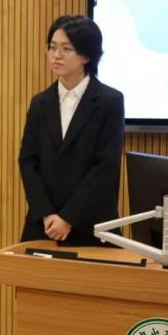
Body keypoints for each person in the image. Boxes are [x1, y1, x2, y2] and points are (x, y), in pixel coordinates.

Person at [18, 15, 124, 246]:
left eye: (66, 49)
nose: (56, 55)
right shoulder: (39, 103)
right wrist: (46, 213)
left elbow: (106, 167)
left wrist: (68, 217)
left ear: (86, 55)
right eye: (52, 47)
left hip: (91, 225)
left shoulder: (109, 101)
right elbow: (28, 161)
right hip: (44, 225)